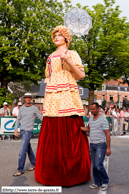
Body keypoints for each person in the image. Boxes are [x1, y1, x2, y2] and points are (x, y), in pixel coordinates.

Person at [35, 25, 91, 186]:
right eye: (55, 35)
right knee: (51, 130)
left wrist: (67, 61)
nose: (56, 37)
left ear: (66, 38)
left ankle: (74, 172)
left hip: (68, 92)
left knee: (70, 129)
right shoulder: (50, 56)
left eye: (59, 35)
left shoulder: (72, 53)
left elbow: (80, 75)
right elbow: (49, 78)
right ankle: (51, 172)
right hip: (53, 96)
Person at [81, 102, 111, 191]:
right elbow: (88, 129)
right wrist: (79, 128)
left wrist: (108, 148)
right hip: (92, 145)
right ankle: (97, 183)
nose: (92, 111)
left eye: (93, 109)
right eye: (91, 109)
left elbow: (107, 134)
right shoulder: (90, 119)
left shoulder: (103, 119)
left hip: (101, 145)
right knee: (94, 165)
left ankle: (105, 181)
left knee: (98, 165)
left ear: (98, 109)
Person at [13, 93, 43, 177]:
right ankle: (34, 164)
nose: (28, 99)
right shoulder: (21, 108)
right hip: (22, 131)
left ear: (31, 99)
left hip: (28, 131)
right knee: (28, 148)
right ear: (24, 99)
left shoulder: (34, 108)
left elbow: (41, 118)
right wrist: (16, 129)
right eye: (26, 97)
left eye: (29, 97)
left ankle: (20, 169)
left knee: (22, 151)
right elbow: (18, 119)